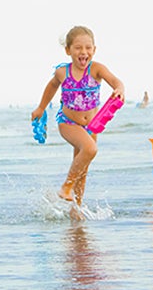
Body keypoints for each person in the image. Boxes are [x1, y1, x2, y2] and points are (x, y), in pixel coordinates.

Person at [30, 26, 124, 206]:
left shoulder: (97, 69)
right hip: (68, 123)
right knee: (90, 150)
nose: (84, 52)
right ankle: (66, 187)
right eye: (78, 48)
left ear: (94, 50)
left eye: (88, 48)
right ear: (68, 50)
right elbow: (51, 87)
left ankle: (77, 207)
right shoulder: (62, 72)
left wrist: (119, 89)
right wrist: (41, 108)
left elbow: (115, 81)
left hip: (92, 126)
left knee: (82, 168)